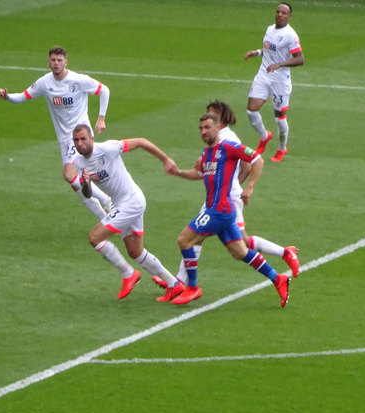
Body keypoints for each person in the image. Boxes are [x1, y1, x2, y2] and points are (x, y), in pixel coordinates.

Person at [151, 101, 299, 298]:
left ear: (218, 127)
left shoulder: (229, 146)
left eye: (207, 127)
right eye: (201, 128)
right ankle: (277, 278)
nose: (203, 132)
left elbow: (257, 159)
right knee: (240, 251)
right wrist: (177, 172)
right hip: (221, 209)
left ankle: (190, 287)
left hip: (219, 209)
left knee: (185, 240)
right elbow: (198, 174)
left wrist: (249, 187)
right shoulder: (207, 153)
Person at [72, 124, 184, 300]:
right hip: (121, 204)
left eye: (83, 139)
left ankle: (128, 274)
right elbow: (87, 193)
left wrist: (166, 159)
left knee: (95, 238)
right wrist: (86, 184)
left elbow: (140, 141)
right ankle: (174, 285)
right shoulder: (78, 162)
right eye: (76, 140)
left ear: (92, 138)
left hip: (131, 201)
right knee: (135, 252)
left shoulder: (108, 148)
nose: (79, 143)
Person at [0, 46, 112, 217]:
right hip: (65, 139)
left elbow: (104, 90)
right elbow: (23, 97)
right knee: (76, 184)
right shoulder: (45, 83)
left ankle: (106, 199)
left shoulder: (77, 80)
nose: (56, 63)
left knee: (70, 174)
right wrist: (7, 97)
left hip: (82, 135)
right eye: (53, 60)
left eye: (59, 60)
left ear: (66, 62)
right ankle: (105, 219)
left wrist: (101, 118)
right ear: (48, 62)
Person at [244, 2, 304, 162]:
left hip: (280, 81)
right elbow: (270, 49)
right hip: (264, 75)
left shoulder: (291, 35)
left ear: (289, 16)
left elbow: (300, 59)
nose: (280, 14)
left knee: (280, 118)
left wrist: (280, 64)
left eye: (284, 12)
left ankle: (282, 148)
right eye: (278, 11)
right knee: (251, 111)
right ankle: (264, 136)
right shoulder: (270, 29)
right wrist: (256, 52)